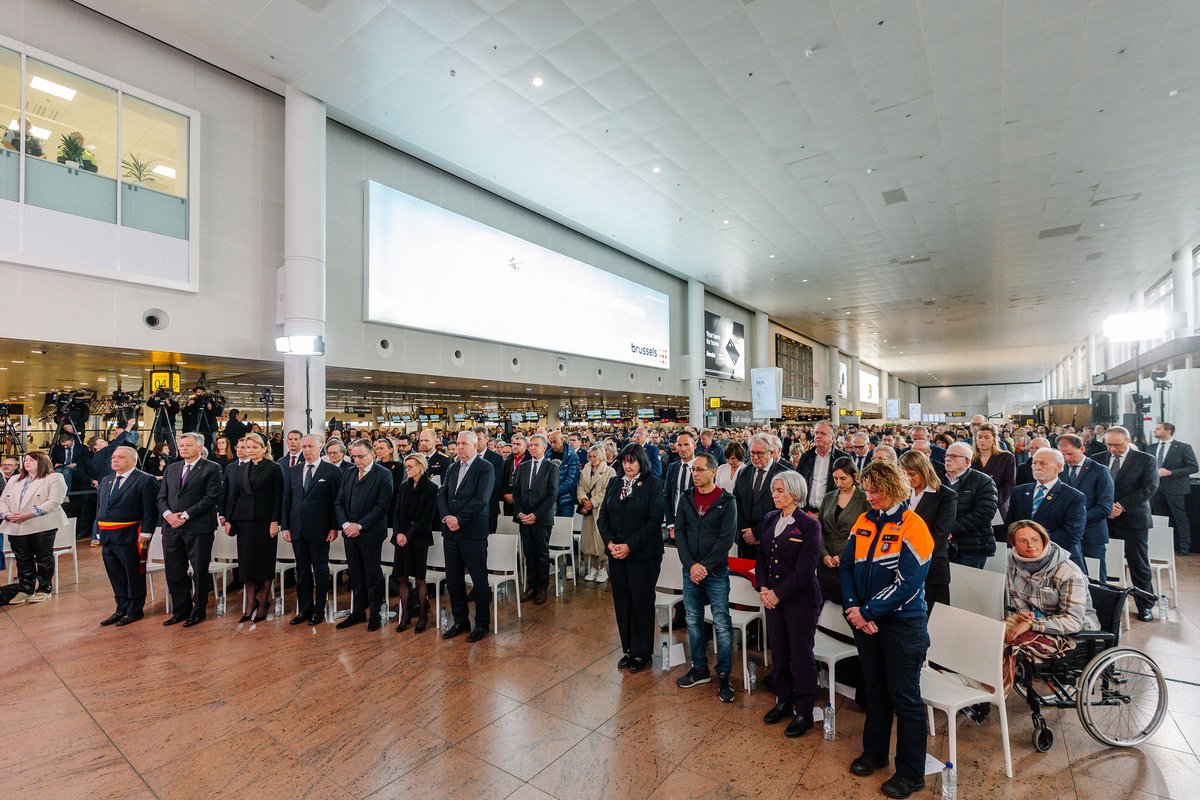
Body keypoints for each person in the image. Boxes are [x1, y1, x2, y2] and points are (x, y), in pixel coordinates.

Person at [840, 461, 934, 800]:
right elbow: (847, 566)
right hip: (866, 620)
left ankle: (911, 774)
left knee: (905, 699)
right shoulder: (864, 521)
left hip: (903, 624)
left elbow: (908, 582)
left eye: (875, 490)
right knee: (875, 690)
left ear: (894, 489)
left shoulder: (914, 526)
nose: (870, 496)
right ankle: (874, 754)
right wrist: (854, 608)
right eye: (867, 489)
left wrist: (866, 611)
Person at [757, 469, 823, 735]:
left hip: (800, 601)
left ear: (795, 493)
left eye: (780, 490)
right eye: (773, 490)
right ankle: (783, 699)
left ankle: (804, 710)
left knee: (800, 654)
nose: (774, 494)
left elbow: (805, 572)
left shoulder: (809, 525)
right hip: (772, 598)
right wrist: (763, 587)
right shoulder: (771, 518)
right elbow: (761, 556)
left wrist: (777, 593)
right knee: (780, 651)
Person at [1002, 520, 1099, 694]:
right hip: (1038, 619)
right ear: (1014, 544)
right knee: (993, 633)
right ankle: (974, 684)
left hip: (1073, 632)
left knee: (1010, 644)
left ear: (1044, 540)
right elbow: (1016, 595)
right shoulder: (1013, 562)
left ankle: (992, 693)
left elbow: (1073, 621)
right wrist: (1025, 613)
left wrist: (1032, 624)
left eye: (1035, 539)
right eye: (1022, 541)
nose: (1030, 545)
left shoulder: (1068, 572)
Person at [673, 452, 738, 702]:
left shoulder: (726, 501)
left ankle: (723, 673)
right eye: (693, 471)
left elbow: (726, 540)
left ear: (713, 472)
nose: (695, 474)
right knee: (693, 620)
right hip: (690, 570)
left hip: (716, 571)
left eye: (700, 470)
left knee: (721, 622)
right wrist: (691, 565)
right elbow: (679, 532)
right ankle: (699, 668)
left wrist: (704, 567)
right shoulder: (687, 498)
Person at [597, 442, 665, 672]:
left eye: (632, 461)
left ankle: (642, 652)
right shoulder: (615, 482)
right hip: (617, 553)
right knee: (623, 602)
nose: (627, 465)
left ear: (641, 462)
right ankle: (628, 649)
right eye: (625, 461)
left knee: (641, 602)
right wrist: (610, 542)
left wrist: (629, 546)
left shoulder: (653, 484)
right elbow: (602, 517)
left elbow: (653, 522)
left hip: (643, 555)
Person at [1092, 426, 1159, 621]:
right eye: (1109, 444)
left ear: (1128, 441)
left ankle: (1144, 604)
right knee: (1104, 563)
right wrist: (1105, 507)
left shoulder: (1145, 459)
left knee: (1138, 563)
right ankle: (1107, 604)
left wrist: (1121, 505)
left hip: (1133, 520)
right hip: (1104, 518)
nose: (1112, 449)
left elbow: (1150, 488)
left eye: (1117, 445)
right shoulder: (1097, 458)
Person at [221, 433, 284, 623]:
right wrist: (229, 518)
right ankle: (250, 602)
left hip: (265, 521)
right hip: (244, 520)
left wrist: (275, 521)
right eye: (248, 447)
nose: (251, 451)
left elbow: (279, 497)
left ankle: (264, 601)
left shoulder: (274, 468)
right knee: (246, 563)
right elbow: (234, 495)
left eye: (255, 447)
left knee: (264, 562)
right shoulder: (241, 468)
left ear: (264, 449)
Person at [280, 434, 342, 626]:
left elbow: (336, 502)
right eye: (304, 446)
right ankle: (304, 609)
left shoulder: (331, 471)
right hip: (297, 529)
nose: (306, 450)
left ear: (320, 447)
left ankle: (319, 609)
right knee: (302, 571)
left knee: (321, 570)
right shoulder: (293, 471)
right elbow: (287, 501)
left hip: (321, 530)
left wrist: (334, 526)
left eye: (310, 446)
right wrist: (286, 526)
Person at [94, 445, 159, 626]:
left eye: (120, 457)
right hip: (107, 535)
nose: (115, 460)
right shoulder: (107, 480)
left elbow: (150, 509)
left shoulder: (145, 480)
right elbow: (100, 507)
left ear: (133, 460)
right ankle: (121, 607)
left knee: (132, 574)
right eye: (114, 457)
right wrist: (97, 531)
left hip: (131, 534)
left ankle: (134, 609)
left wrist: (146, 532)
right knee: (115, 574)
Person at [335, 438, 393, 632]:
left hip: (370, 532)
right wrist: (345, 524)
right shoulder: (349, 473)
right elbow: (339, 501)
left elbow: (382, 506)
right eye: (354, 456)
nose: (357, 460)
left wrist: (359, 525)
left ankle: (375, 613)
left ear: (372, 454)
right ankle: (358, 611)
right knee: (355, 574)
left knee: (372, 573)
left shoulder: (383, 474)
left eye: (361, 456)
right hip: (349, 533)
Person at [0, 451, 67, 604]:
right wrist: (6, 514)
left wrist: (29, 514)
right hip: (16, 523)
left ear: (42, 462)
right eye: (26, 460)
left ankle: (44, 588)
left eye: (32, 460)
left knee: (43, 558)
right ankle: (25, 588)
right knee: (22, 558)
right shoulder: (15, 479)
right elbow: (3, 500)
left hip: (41, 524)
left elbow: (55, 501)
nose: (27, 462)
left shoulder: (54, 477)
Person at [1005, 448, 1087, 570]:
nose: (1036, 467)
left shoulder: (1073, 497)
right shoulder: (1019, 491)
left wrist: (1034, 546)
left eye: (1042, 463)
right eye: (1034, 463)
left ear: (1059, 467)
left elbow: (1071, 533)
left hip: (1058, 561)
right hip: (1022, 560)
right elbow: (1010, 524)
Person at [899, 450, 957, 610]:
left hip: (933, 563)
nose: (908, 479)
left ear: (924, 470)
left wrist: (912, 556)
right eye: (903, 474)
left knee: (935, 614)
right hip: (901, 563)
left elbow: (940, 534)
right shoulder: (902, 494)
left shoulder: (945, 495)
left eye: (911, 474)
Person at [392, 452, 438, 633]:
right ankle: (404, 615)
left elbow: (425, 518)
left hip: (418, 538)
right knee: (402, 578)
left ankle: (423, 615)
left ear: (421, 467)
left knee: (419, 578)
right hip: (401, 538)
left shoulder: (431, 488)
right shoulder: (404, 487)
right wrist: (398, 534)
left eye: (411, 466)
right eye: (406, 467)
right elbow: (395, 512)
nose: (408, 469)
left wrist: (407, 535)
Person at [1057, 433, 1114, 579]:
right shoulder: (1059, 470)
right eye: (1062, 454)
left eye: (1070, 453)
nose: (1067, 458)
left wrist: (1076, 521)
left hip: (1092, 534)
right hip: (1066, 536)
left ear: (1082, 449)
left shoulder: (1100, 470)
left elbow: (1105, 507)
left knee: (1096, 579)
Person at [513, 433, 559, 605]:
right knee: (529, 553)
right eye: (530, 445)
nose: (532, 447)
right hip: (524, 518)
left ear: (544, 448)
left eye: (536, 445)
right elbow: (516, 493)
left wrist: (536, 515)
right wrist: (519, 513)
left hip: (542, 519)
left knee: (541, 554)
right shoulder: (523, 467)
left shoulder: (551, 467)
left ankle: (542, 588)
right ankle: (531, 586)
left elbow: (552, 495)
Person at [816, 457, 868, 605]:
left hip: (851, 558)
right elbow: (820, 529)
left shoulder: (864, 499)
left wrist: (842, 556)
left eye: (843, 478)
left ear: (855, 476)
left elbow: (864, 535)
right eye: (835, 478)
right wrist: (824, 554)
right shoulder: (828, 497)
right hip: (825, 561)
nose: (839, 483)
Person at [733, 432, 790, 559]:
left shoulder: (785, 474)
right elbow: (735, 504)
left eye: (759, 453)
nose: (755, 457)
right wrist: (746, 532)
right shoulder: (743, 472)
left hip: (773, 540)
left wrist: (756, 533)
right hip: (745, 540)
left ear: (771, 453)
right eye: (752, 453)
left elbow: (784, 509)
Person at [943, 441, 998, 569]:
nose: (948, 459)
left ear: (967, 462)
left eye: (954, 456)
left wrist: (950, 529)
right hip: (941, 545)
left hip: (972, 546)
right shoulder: (938, 479)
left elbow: (984, 513)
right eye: (947, 456)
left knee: (967, 586)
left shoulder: (983, 481)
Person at [1150, 422, 1198, 555]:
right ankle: (1159, 547)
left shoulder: (1183, 447)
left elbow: (1193, 467)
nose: (1155, 430)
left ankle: (1184, 547)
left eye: (1158, 429)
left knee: (1179, 517)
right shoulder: (1151, 447)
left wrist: (1171, 472)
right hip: (1155, 487)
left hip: (1175, 487)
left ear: (1168, 431)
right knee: (1159, 518)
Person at [971, 422, 1016, 541]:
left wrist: (992, 502)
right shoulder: (971, 458)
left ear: (994, 439)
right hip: (973, 507)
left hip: (997, 506)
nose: (982, 440)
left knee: (998, 540)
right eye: (979, 437)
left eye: (986, 437)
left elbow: (1009, 485)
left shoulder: (1006, 457)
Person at [577, 444, 615, 583]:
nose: (592, 459)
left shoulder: (609, 471)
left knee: (601, 539)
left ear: (601, 455)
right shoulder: (586, 469)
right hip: (587, 511)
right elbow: (580, 487)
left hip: (601, 510)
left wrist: (592, 501)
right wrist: (583, 499)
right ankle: (593, 567)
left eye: (595, 456)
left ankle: (604, 568)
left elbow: (608, 491)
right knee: (589, 540)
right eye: (590, 456)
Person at [797, 421, 848, 514]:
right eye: (816, 433)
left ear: (832, 438)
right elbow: (798, 483)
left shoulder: (843, 458)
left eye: (823, 433)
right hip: (807, 511)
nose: (818, 436)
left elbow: (848, 489)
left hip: (832, 513)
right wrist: (806, 510)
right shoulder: (806, 457)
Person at [663, 430, 698, 540]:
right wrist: (671, 525)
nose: (682, 449)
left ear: (694, 445)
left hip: (697, 522)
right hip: (676, 520)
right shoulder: (673, 467)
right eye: (679, 445)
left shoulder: (702, 467)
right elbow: (667, 497)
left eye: (686, 444)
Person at [473, 426, 505, 534]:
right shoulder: (467, 457)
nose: (476, 442)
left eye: (479, 439)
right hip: (469, 509)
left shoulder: (496, 458)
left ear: (487, 439)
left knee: (489, 538)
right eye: (474, 439)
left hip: (489, 506)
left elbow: (496, 482)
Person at [499, 433, 528, 517]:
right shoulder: (508, 460)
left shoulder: (530, 460)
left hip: (523, 500)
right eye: (513, 444)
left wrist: (516, 496)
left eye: (518, 444)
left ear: (525, 446)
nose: (515, 446)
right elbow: (501, 479)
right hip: (508, 499)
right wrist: (504, 494)